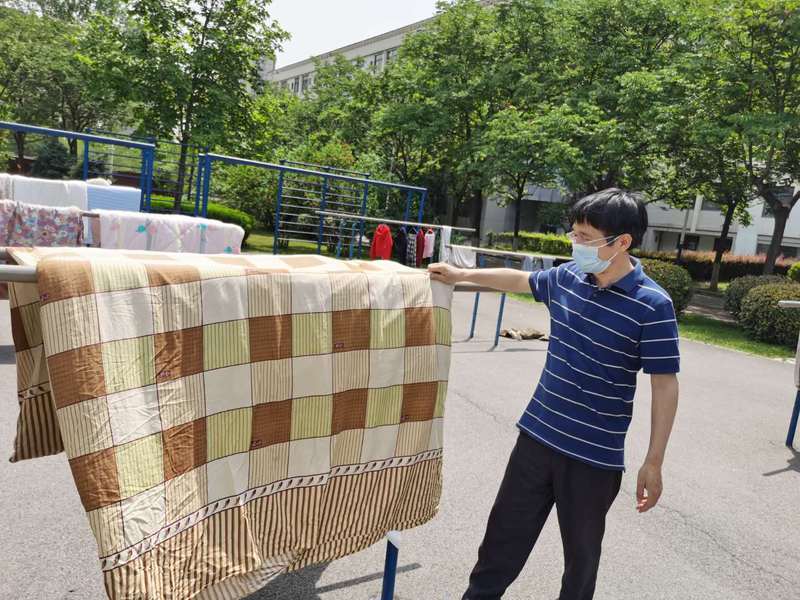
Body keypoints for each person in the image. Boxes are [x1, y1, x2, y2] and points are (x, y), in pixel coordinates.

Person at [428, 188, 680, 600]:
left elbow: (665, 385)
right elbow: (521, 280)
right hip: (537, 439)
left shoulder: (652, 305)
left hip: (593, 459)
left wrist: (654, 461)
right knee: (501, 543)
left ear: (622, 242)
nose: (575, 243)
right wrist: (461, 276)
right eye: (574, 233)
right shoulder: (569, 277)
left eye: (585, 237)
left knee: (580, 562)